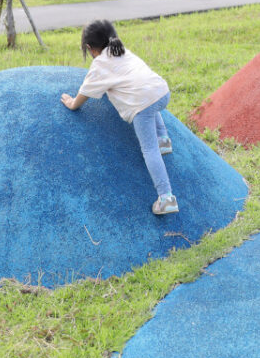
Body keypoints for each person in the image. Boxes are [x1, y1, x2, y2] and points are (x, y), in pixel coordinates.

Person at [60, 19, 179, 215]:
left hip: (143, 106)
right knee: (149, 103)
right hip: (162, 92)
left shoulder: (99, 65)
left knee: (149, 150)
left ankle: (166, 197)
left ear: (89, 48)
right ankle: (163, 138)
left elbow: (86, 92)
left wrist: (72, 104)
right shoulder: (122, 51)